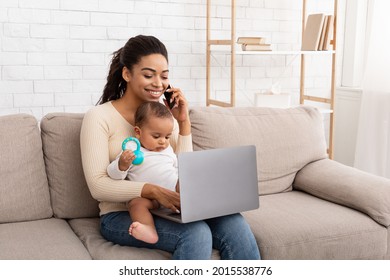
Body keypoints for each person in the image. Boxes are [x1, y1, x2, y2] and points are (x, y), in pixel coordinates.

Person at [80, 34, 260, 260]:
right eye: (148, 75)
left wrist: (183, 123)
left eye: (164, 76)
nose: (158, 83)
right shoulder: (99, 117)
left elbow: (184, 172)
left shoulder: (163, 118)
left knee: (234, 222)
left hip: (168, 207)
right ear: (127, 73)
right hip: (122, 214)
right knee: (196, 233)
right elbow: (98, 187)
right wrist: (152, 190)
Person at [107, 101, 179, 244]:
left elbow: (178, 168)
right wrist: (122, 164)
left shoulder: (168, 150)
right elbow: (113, 175)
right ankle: (148, 229)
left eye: (167, 137)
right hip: (149, 200)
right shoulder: (131, 153)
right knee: (136, 204)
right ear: (138, 132)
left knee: (185, 182)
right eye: (156, 136)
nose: (163, 142)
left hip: (174, 195)